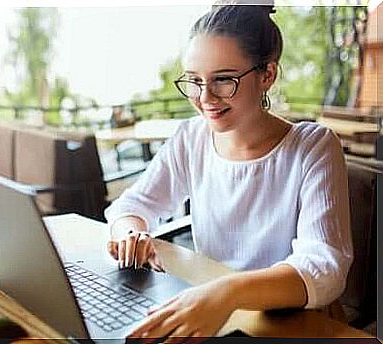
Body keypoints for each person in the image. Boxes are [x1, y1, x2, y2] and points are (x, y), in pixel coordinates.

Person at [105, 4, 353, 340]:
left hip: (289, 322)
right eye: (194, 81)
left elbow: (324, 267)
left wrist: (228, 292)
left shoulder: (312, 146)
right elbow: (132, 206)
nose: (205, 97)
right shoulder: (191, 137)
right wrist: (129, 234)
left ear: (267, 74)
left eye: (223, 79)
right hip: (212, 310)